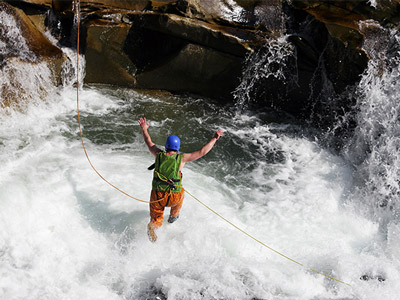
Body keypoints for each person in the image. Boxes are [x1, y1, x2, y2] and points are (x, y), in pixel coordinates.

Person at [138, 117, 224, 242]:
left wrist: (144, 129)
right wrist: (214, 138)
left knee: (156, 218)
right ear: (177, 148)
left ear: (166, 146)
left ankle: (153, 225)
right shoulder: (182, 158)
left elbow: (148, 141)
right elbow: (202, 152)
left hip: (157, 195)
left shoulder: (158, 154)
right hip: (174, 196)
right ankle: (173, 216)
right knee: (181, 194)